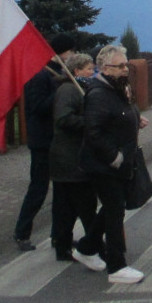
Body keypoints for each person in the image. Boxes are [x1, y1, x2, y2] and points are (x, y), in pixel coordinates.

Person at [75, 45, 147, 283]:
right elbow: (94, 132)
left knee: (111, 208)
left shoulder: (116, 89)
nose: (125, 69)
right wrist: (115, 158)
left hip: (118, 162)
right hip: (104, 165)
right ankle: (116, 267)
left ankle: (86, 248)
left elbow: (121, 114)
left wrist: (136, 119)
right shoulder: (98, 94)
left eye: (126, 65)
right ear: (105, 68)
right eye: (120, 66)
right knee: (115, 211)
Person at [13, 32, 75, 251]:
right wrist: (60, 91)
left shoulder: (58, 73)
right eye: (70, 51)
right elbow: (37, 107)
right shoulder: (40, 75)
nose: (72, 55)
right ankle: (22, 233)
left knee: (60, 191)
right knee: (38, 189)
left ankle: (59, 235)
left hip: (58, 141)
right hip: (42, 142)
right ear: (61, 52)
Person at [50, 53, 99, 262]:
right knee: (84, 207)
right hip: (70, 160)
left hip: (71, 159)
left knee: (66, 209)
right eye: (89, 68)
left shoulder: (80, 89)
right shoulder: (68, 90)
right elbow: (63, 118)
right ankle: (94, 247)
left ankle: (63, 247)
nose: (92, 72)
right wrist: (88, 121)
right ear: (77, 71)